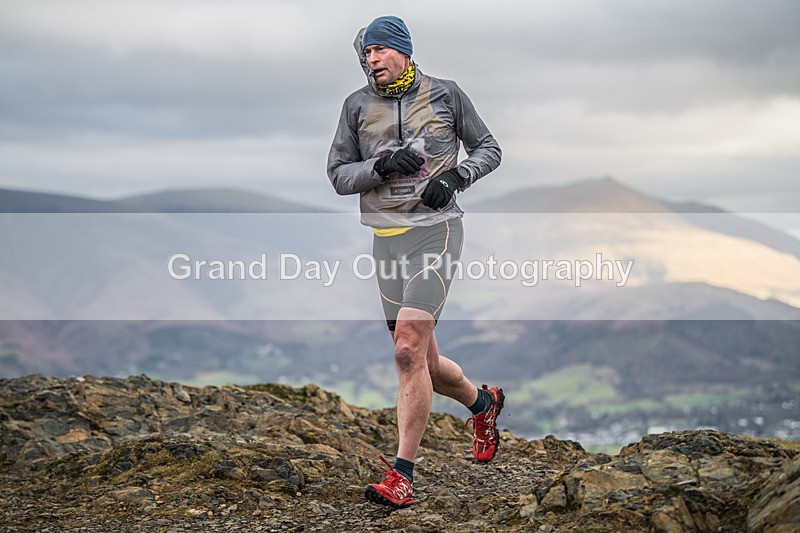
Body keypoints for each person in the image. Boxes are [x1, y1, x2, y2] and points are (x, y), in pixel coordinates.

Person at [327, 15, 503, 508]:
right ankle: (483, 405)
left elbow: (490, 148)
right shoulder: (356, 106)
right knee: (423, 360)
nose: (370, 60)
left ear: (401, 50)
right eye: (364, 54)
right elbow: (339, 175)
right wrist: (380, 166)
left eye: (378, 50)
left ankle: (402, 475)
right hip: (386, 238)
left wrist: (457, 177)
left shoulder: (446, 94)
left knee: (405, 348)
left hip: (437, 231)